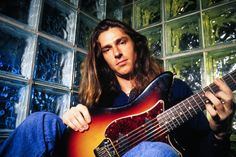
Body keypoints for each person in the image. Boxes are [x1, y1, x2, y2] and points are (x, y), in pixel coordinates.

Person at [0, 19, 235, 157]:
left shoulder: (174, 89)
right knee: (39, 121)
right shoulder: (99, 100)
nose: (117, 53)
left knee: (154, 152)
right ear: (102, 57)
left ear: (135, 44)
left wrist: (220, 132)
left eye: (122, 42)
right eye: (107, 49)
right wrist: (69, 120)